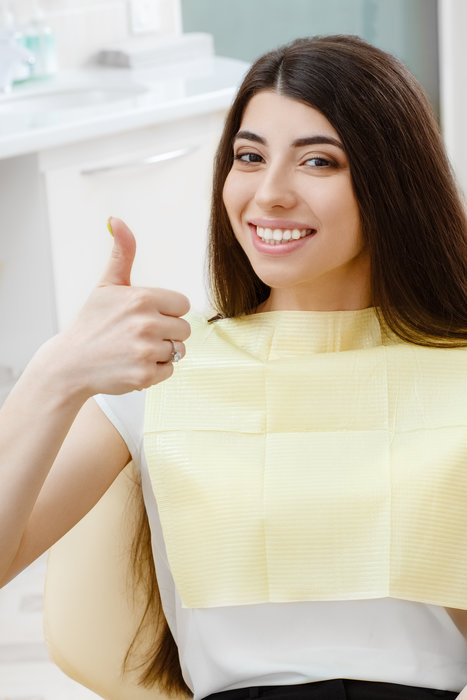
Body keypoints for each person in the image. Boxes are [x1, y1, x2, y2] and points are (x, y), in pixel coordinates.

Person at [1, 34, 467, 700]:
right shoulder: (162, 368)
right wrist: (57, 373)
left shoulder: (456, 370)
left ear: (390, 181)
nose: (269, 194)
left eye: (317, 161)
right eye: (248, 157)